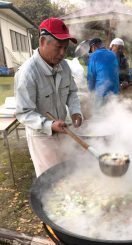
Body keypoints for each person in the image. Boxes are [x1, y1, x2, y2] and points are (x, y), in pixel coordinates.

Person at [15, 17, 83, 177]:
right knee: (50, 178)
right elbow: (24, 112)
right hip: (42, 135)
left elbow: (72, 91)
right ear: (43, 41)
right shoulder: (28, 73)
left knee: (66, 173)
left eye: (65, 48)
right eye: (58, 47)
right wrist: (49, 124)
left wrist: (75, 111)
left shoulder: (64, 66)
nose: (62, 53)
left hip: (62, 129)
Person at [87, 38, 120, 109]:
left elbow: (91, 77)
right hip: (114, 93)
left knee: (99, 117)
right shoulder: (113, 54)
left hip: (101, 93)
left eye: (91, 50)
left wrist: (90, 93)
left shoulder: (93, 56)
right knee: (112, 116)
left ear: (93, 46)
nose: (92, 51)